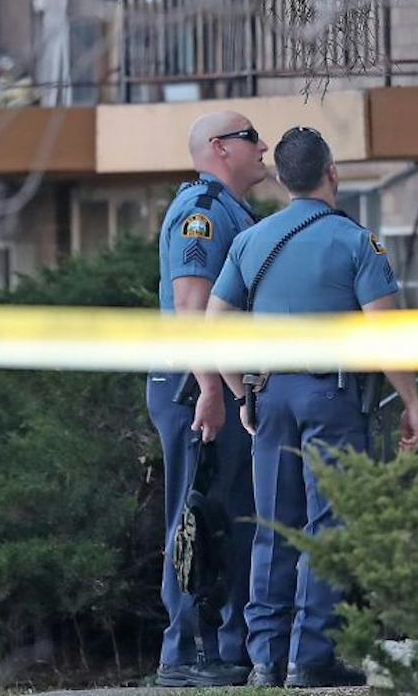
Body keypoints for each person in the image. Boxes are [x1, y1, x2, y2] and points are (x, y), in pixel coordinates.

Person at [207, 126, 418, 689]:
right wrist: (410, 402)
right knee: (326, 526)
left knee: (272, 527)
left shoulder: (250, 241)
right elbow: (386, 334)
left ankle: (265, 660)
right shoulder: (356, 241)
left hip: (271, 395)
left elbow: (210, 330)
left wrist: (240, 395)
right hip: (330, 397)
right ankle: (310, 658)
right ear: (332, 172)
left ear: (280, 179)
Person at [149, 110, 269, 688]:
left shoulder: (230, 211)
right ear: (221, 148)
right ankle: (184, 654)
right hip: (195, 389)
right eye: (252, 138)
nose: (264, 146)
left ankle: (224, 645)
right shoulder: (202, 214)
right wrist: (214, 390)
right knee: (194, 519)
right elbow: (191, 311)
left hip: (215, 386)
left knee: (226, 519)